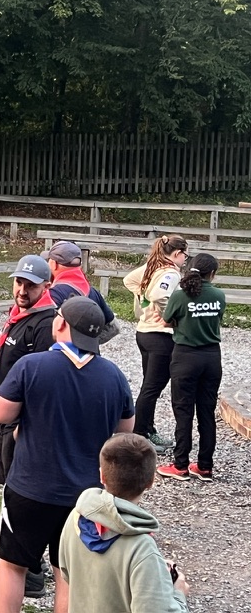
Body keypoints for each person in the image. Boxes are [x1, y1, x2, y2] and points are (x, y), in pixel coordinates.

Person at [0, 296, 135, 613]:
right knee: (68, 573)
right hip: (85, 495)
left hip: (30, 487)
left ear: (60, 323)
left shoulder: (31, 366)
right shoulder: (113, 375)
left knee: (12, 566)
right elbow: (126, 429)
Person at [0, 255, 57, 599]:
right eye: (19, 282)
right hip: (5, 421)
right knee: (8, 491)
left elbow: (44, 382)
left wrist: (22, 428)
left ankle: (29, 570)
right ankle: (20, 563)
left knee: (22, 497)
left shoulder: (45, 324)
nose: (22, 290)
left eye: (31, 285)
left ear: (47, 286)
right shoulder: (21, 315)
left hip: (20, 427)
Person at [58, 433, 190, 612]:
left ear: (102, 475)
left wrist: (154, 569)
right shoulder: (142, 548)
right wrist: (178, 595)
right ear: (151, 481)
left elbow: (67, 572)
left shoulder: (77, 517)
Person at [157, 253, 225, 481]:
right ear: (212, 273)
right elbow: (217, 319)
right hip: (212, 357)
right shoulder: (219, 295)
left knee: (183, 411)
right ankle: (205, 466)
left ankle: (180, 465)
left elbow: (166, 320)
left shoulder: (180, 295)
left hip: (185, 356)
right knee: (207, 412)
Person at [123, 235, 189, 453]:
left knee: (149, 385)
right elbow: (159, 295)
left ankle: (148, 428)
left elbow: (129, 280)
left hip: (144, 332)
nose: (185, 260)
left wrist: (143, 297)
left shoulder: (153, 267)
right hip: (160, 335)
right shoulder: (171, 272)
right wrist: (169, 316)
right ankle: (140, 434)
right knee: (152, 387)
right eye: (185, 255)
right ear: (177, 253)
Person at [42, 240, 117, 328]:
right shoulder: (93, 292)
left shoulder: (54, 294)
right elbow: (113, 327)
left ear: (54, 264)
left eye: (48, 260)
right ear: (79, 265)